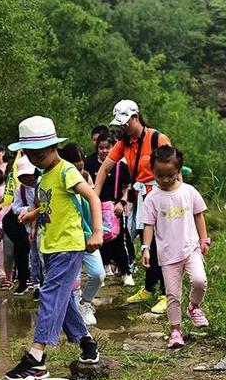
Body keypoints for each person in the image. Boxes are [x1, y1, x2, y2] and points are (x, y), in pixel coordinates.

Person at [4, 116, 103, 380]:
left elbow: (92, 196)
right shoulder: (44, 176)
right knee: (62, 297)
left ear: (53, 147)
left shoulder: (66, 170)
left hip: (69, 244)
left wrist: (96, 231)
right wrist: (33, 214)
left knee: (49, 294)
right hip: (50, 245)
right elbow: (52, 205)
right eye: (30, 155)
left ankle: (37, 358)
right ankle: (87, 344)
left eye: (40, 154)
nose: (36, 159)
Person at [94, 99, 170, 314]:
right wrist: (95, 196)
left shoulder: (157, 138)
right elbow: (104, 169)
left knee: (160, 244)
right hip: (142, 197)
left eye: (126, 122)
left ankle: (166, 293)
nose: (123, 127)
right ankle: (148, 287)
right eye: (120, 124)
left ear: (136, 117)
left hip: (161, 194)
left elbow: (174, 167)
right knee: (147, 244)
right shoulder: (123, 143)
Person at [141, 146, 210, 349]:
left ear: (179, 170)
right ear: (152, 171)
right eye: (159, 175)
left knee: (199, 280)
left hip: (190, 248)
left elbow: (199, 214)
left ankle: (194, 306)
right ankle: (175, 330)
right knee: (172, 295)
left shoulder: (188, 192)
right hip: (168, 254)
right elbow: (148, 224)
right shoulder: (152, 197)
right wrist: (146, 248)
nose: (164, 179)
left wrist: (203, 239)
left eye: (170, 175)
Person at [58, 143, 107, 326]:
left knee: (98, 274)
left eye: (81, 168)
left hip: (86, 234)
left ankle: (85, 303)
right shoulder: (58, 179)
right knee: (73, 279)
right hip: (67, 237)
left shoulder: (85, 177)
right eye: (76, 169)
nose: (79, 172)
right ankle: (73, 313)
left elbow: (93, 200)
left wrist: (97, 231)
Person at [85, 133, 136, 286]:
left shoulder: (121, 166)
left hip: (115, 208)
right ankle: (103, 268)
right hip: (96, 207)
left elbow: (129, 186)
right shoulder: (90, 163)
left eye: (108, 148)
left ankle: (127, 271)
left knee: (120, 240)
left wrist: (122, 202)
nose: (104, 151)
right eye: (101, 148)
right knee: (99, 238)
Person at [10, 154, 42, 297]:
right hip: (29, 227)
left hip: (44, 225)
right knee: (34, 256)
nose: (26, 179)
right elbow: (15, 208)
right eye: (22, 176)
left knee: (44, 256)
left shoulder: (42, 184)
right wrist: (27, 210)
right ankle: (36, 285)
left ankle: (45, 282)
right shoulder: (21, 190)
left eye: (28, 175)